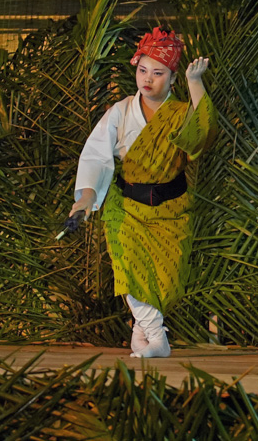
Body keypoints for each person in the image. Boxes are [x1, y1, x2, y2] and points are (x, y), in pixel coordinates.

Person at [70, 27, 217, 358]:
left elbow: (200, 139)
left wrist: (197, 84)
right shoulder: (120, 111)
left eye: (158, 72)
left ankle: (142, 332)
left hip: (172, 208)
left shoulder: (181, 112)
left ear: (173, 77)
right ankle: (156, 337)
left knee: (165, 276)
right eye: (142, 70)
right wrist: (87, 195)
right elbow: (96, 154)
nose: (147, 79)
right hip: (127, 207)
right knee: (127, 267)